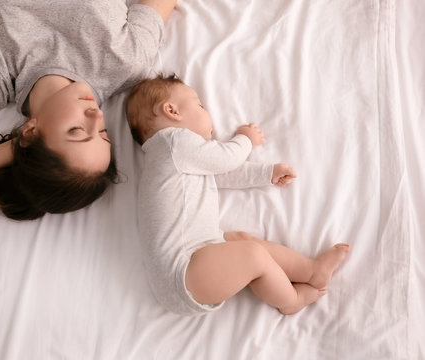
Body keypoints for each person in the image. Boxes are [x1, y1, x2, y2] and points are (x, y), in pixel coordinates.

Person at [0, 0, 177, 220]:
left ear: (29, 131)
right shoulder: (125, 63)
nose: (96, 115)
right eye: (103, 132)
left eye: (78, 130)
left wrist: (15, 150)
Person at [126, 74, 351, 315]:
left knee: (244, 241)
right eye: (200, 105)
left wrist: (266, 173)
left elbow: (219, 171)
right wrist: (245, 139)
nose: (207, 111)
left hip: (190, 269)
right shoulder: (173, 142)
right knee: (252, 255)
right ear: (172, 111)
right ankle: (290, 300)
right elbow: (225, 158)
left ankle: (312, 271)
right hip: (184, 274)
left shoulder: (173, 159)